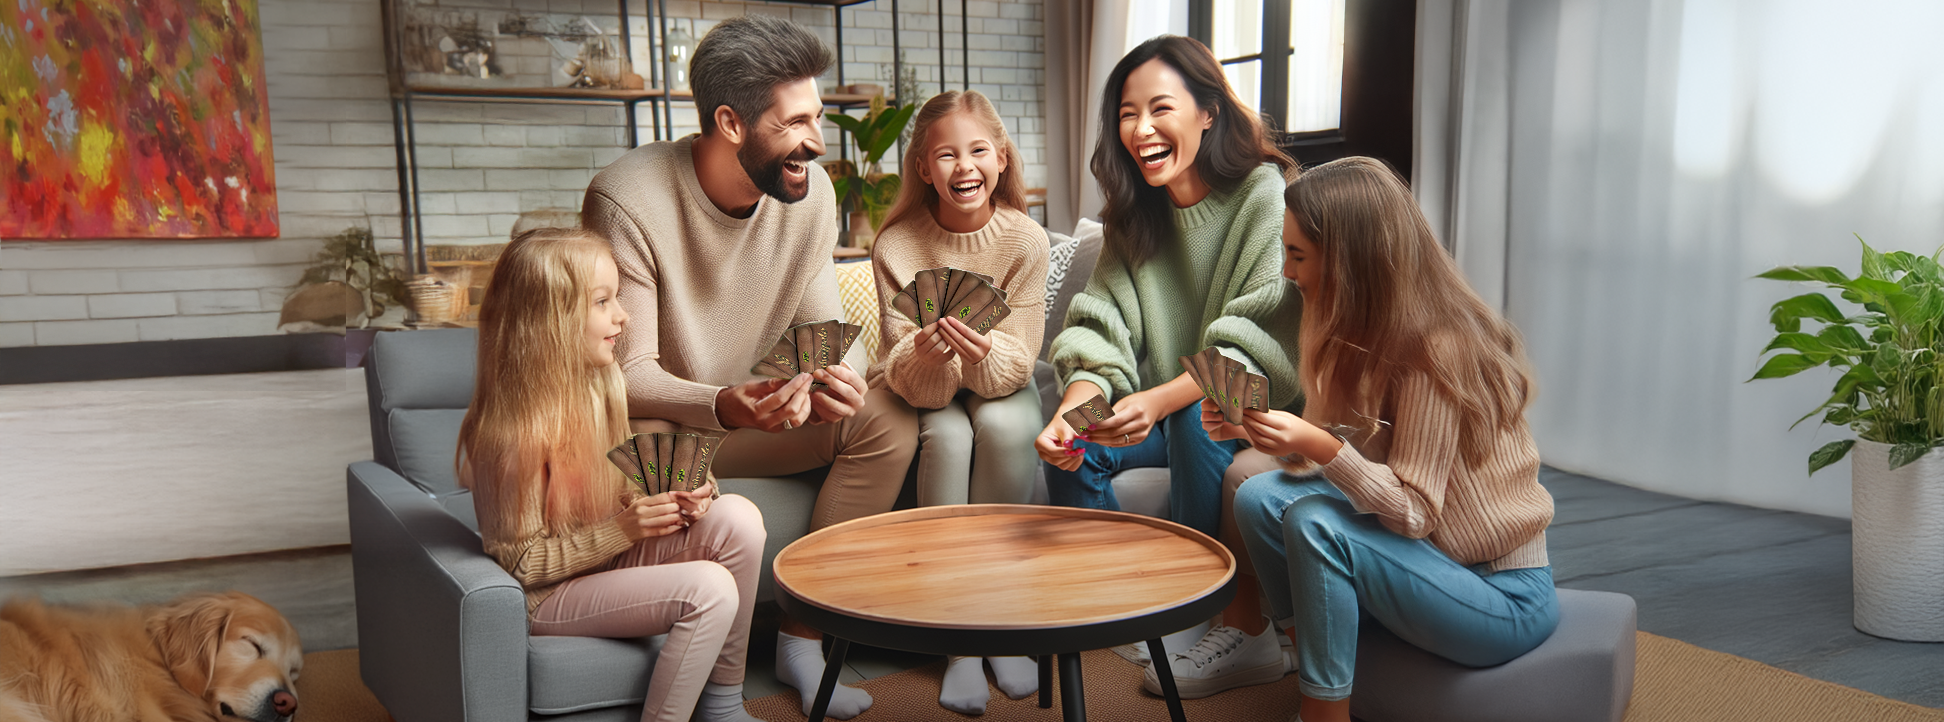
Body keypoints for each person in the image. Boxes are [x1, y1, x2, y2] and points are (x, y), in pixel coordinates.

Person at [580, 15, 918, 719]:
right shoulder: (627, 198)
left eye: (818, 117)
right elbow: (628, 370)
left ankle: (803, 637)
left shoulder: (810, 196)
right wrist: (727, 402)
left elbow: (825, 331)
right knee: (640, 422)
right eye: (796, 122)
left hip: (753, 419)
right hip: (662, 424)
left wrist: (835, 377)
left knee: (884, 415)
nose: (817, 142)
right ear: (732, 123)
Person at [1221, 157, 1558, 722]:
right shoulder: (1367, 337)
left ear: (1352, 262)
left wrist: (1323, 446)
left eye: (1298, 255)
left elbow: (1414, 511)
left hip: (1502, 596)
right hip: (1430, 565)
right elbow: (1366, 453)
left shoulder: (1437, 350)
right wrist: (1274, 433)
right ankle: (1316, 653)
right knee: (1257, 496)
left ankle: (1323, 713)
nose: (1285, 271)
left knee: (1312, 522)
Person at [1035, 34, 1302, 696]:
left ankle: (1208, 614)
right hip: (1158, 406)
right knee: (1069, 447)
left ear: (1208, 111)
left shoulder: (1264, 195)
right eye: (1127, 113)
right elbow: (1099, 329)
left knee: (1197, 417)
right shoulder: (1134, 219)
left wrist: (1159, 400)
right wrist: (1073, 414)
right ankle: (1126, 602)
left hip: (1248, 406)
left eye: (1160, 108)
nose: (1141, 129)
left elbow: (1259, 341)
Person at [457, 229, 768, 722]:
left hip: (603, 562)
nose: (622, 316)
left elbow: (620, 488)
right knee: (709, 588)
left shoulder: (601, 384)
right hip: (548, 597)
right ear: (549, 322)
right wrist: (625, 528)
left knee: (740, 518)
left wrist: (678, 493)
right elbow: (520, 565)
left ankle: (723, 706)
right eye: (603, 301)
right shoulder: (508, 435)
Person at [866, 89, 1047, 714]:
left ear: (1000, 158)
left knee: (1002, 426)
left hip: (1002, 383)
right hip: (927, 389)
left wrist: (978, 353)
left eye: (977, 151)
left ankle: (997, 626)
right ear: (923, 168)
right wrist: (928, 356)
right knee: (947, 436)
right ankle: (957, 643)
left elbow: (1016, 366)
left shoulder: (1026, 241)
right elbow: (908, 382)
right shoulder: (896, 247)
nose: (963, 166)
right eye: (945, 154)